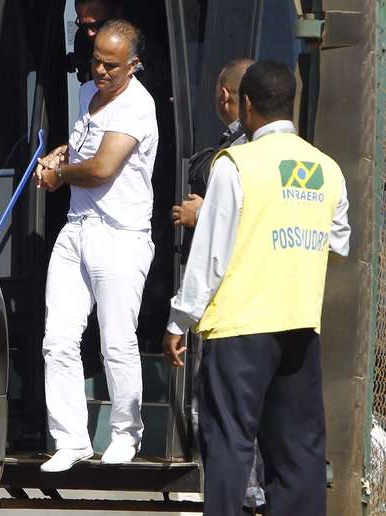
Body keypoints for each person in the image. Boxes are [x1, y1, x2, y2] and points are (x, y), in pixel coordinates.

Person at [163, 60, 351, 515]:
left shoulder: (236, 165)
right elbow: (338, 241)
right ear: (292, 103)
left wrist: (178, 320)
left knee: (230, 443)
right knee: (300, 450)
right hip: (300, 324)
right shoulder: (326, 168)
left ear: (246, 105)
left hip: (241, 327)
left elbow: (211, 253)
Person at [35, 19, 158, 473]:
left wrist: (58, 175)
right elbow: (87, 146)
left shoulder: (138, 106)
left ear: (134, 66)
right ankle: (71, 439)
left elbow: (104, 167)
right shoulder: (89, 94)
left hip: (120, 236)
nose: (101, 71)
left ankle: (127, 433)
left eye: (111, 65)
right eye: (96, 62)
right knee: (58, 339)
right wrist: (61, 154)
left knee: (116, 343)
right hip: (78, 227)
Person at [172, 58, 268, 515]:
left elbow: (238, 225)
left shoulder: (241, 155)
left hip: (230, 304)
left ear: (227, 96)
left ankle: (245, 497)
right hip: (268, 306)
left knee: (224, 410)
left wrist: (201, 213)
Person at [171, 58, 253, 229]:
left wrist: (201, 213)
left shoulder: (244, 146)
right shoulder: (243, 139)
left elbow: (245, 210)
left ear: (224, 95)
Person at [69, 0, 124, 83]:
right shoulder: (82, 39)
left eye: (97, 25)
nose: (89, 33)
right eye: (83, 26)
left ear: (117, 15)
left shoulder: (138, 45)